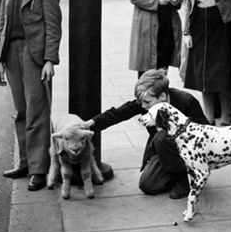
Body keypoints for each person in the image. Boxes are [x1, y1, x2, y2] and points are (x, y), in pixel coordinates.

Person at [0, 0, 62, 191]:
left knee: (37, 112)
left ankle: (39, 169)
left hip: (35, 56)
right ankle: (24, 163)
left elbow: (53, 27)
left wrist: (49, 60)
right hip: (12, 54)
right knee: (21, 111)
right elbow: (3, 26)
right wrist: (0, 61)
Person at [82, 69, 209, 199]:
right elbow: (118, 113)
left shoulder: (186, 101)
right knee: (148, 185)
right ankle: (174, 171)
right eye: (141, 102)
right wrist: (91, 123)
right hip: (165, 150)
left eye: (147, 102)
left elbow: (206, 131)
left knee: (161, 137)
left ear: (163, 97)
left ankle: (182, 181)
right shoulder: (146, 102)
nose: (143, 106)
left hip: (191, 150)